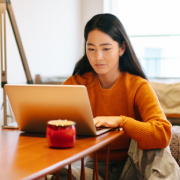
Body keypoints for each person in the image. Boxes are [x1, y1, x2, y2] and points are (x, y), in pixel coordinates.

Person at [56, 13, 172, 180]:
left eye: (106, 48)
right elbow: (46, 116)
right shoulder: (77, 83)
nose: (98, 57)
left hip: (134, 165)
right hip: (95, 168)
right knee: (58, 174)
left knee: (156, 146)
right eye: (91, 49)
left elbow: (163, 134)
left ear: (121, 48)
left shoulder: (137, 85)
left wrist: (121, 121)